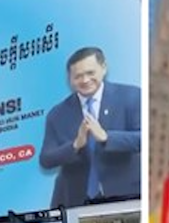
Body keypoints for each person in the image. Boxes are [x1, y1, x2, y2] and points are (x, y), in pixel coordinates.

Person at [39, 47, 141, 208]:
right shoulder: (57, 113)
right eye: (78, 76)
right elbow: (46, 159)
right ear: (70, 79)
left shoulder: (131, 96)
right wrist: (75, 145)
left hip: (128, 197)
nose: (85, 80)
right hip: (76, 203)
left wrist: (107, 137)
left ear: (103, 68)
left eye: (90, 73)